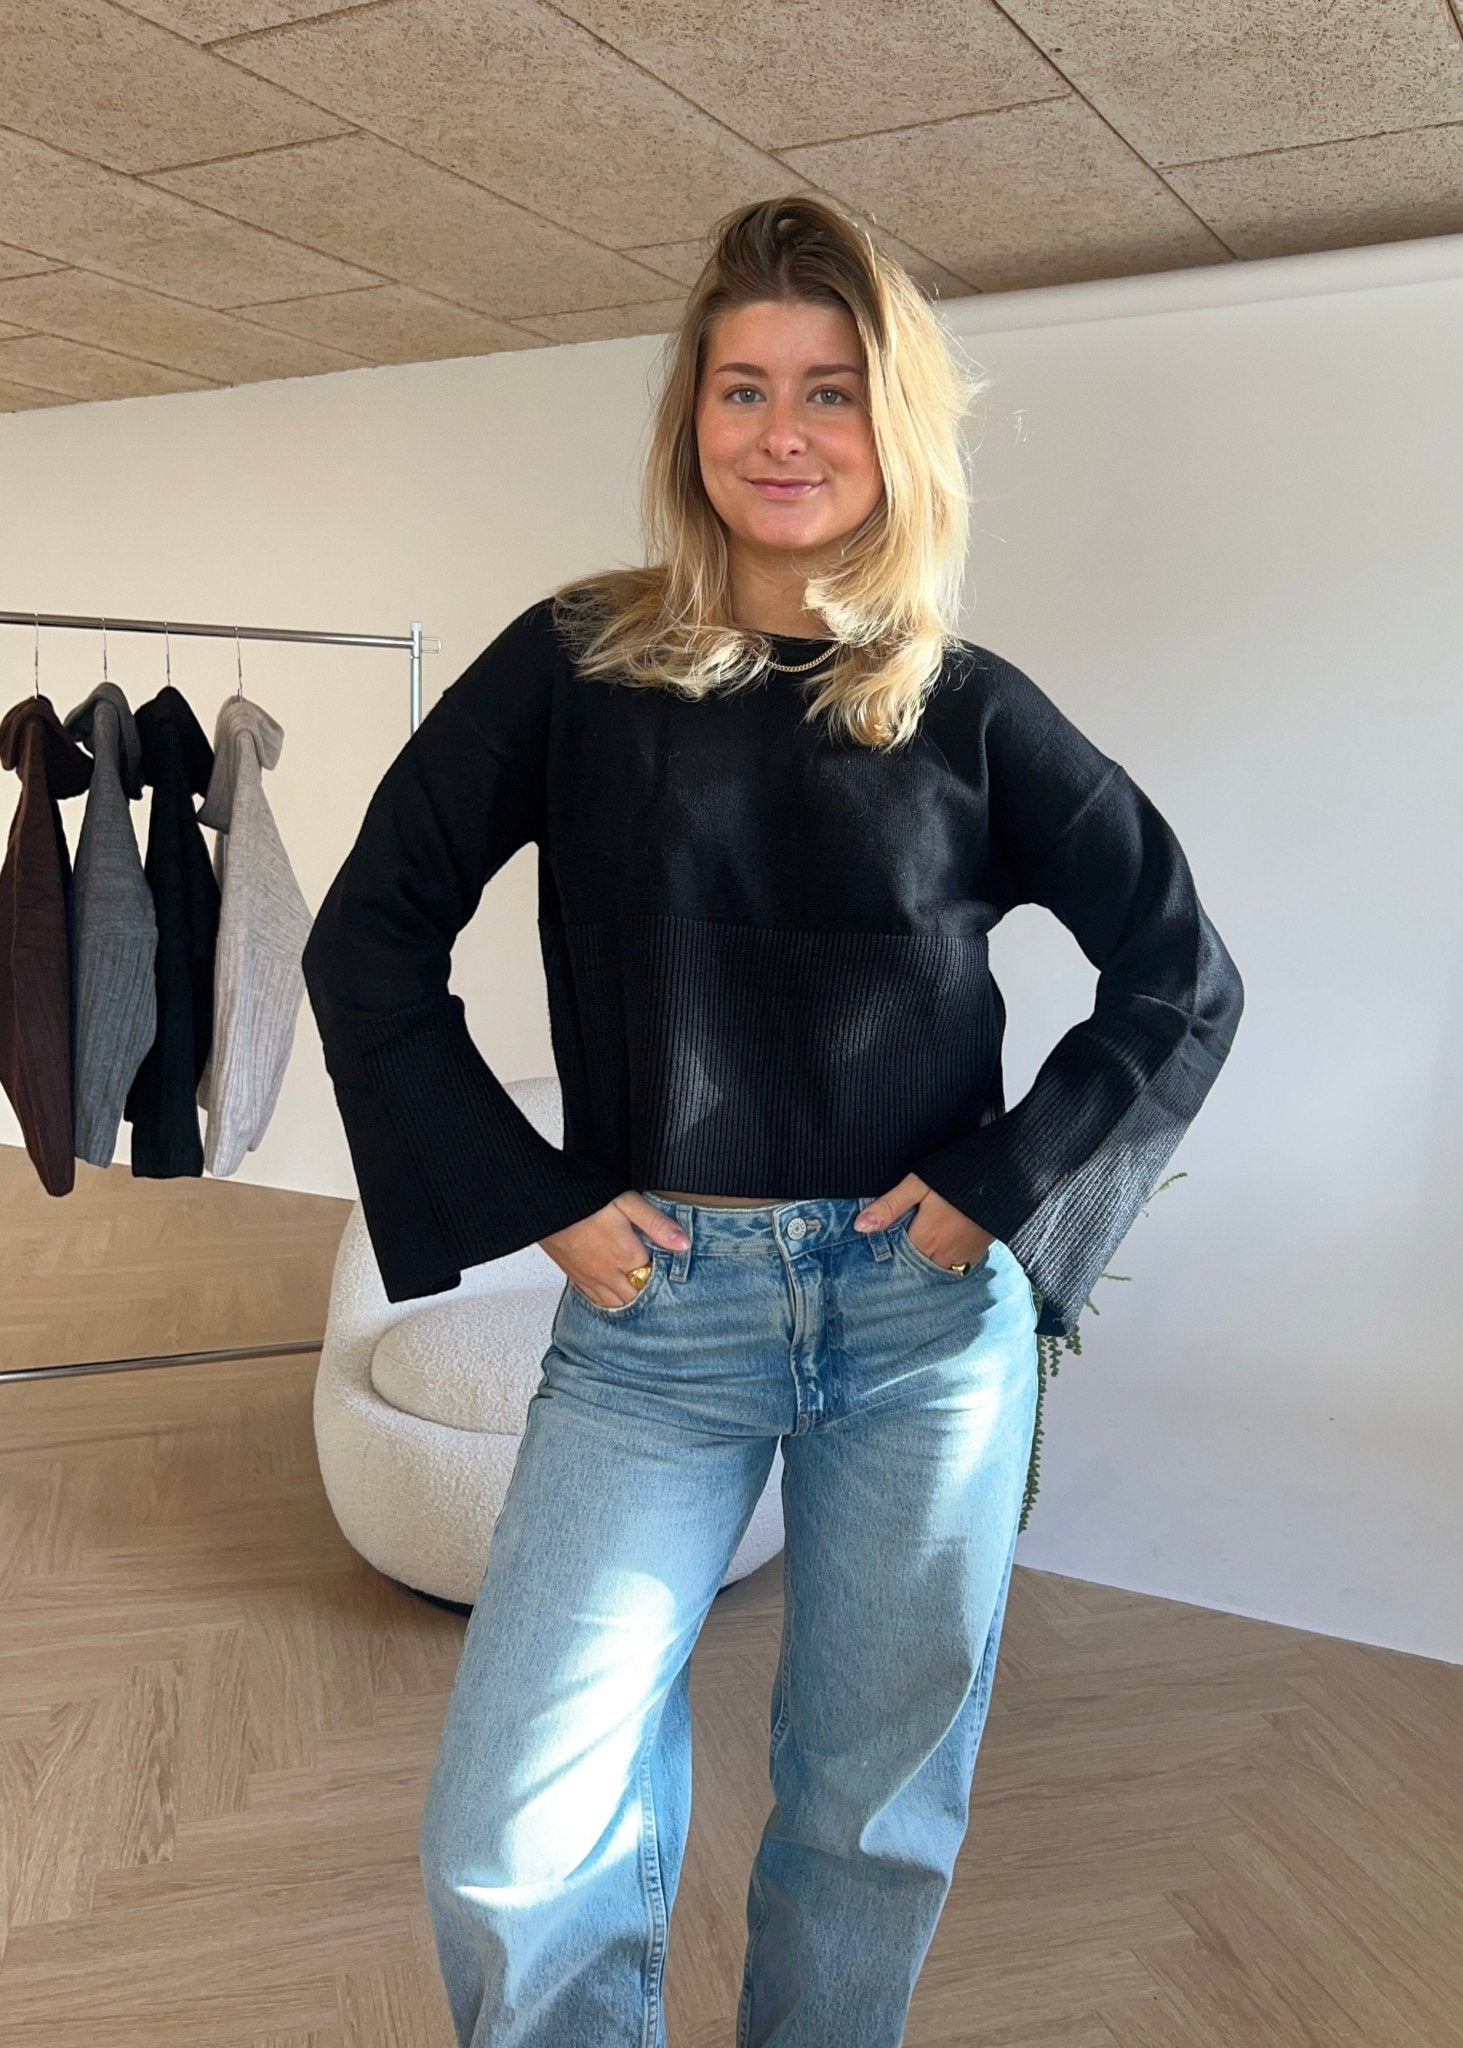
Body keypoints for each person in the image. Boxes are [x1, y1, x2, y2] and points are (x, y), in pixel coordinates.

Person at [300, 195, 1244, 2048]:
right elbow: (368, 942)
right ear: (692, 417)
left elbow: (1180, 975)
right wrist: (537, 1196)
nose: (785, 433)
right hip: (659, 1320)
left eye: (831, 390)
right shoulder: (574, 666)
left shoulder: (967, 710)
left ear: (896, 430)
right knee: (513, 1829)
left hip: (924, 1330)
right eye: (745, 387)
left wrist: (1002, 1185)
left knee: (870, 1812)